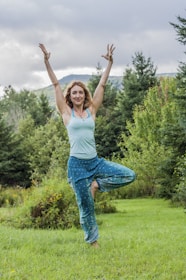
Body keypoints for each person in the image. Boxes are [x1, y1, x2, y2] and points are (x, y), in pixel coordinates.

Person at [39, 43, 136, 247]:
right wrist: (47, 61)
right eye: (74, 93)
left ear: (84, 95)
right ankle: (93, 242)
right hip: (77, 166)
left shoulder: (92, 111)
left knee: (129, 174)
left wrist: (109, 64)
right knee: (86, 206)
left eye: (80, 92)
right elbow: (56, 85)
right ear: (70, 96)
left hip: (95, 162)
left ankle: (97, 185)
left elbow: (101, 86)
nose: (77, 95)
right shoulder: (66, 113)